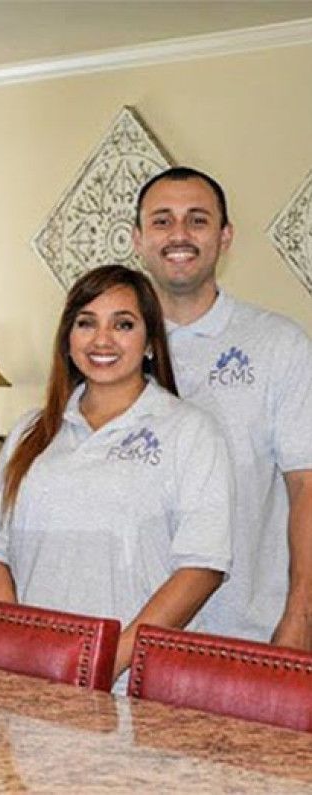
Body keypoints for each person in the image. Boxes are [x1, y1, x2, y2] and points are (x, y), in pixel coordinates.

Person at [0, 265, 233, 689]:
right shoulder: (30, 432)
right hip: (33, 681)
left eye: (123, 324)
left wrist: (100, 666)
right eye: (86, 323)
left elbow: (201, 567)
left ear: (150, 342)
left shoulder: (190, 431)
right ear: (67, 338)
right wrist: (17, 650)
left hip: (135, 686)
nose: (102, 339)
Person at [133, 166, 312, 649]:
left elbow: (306, 489)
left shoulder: (279, 344)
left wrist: (299, 619)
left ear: (225, 236)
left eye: (197, 220)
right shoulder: (108, 348)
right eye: (162, 221)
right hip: (129, 637)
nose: (179, 235)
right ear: (137, 238)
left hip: (246, 629)